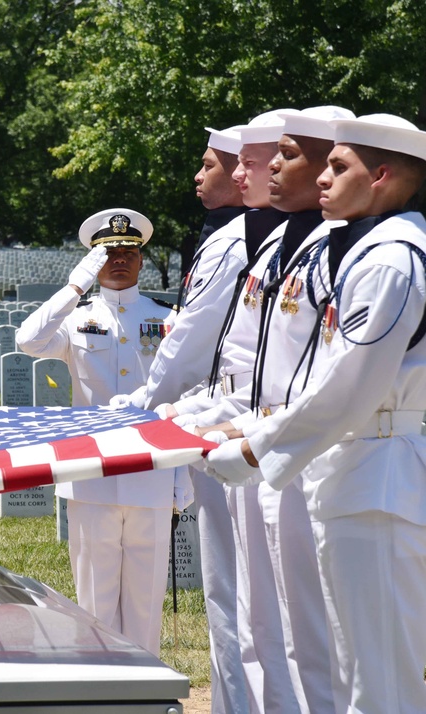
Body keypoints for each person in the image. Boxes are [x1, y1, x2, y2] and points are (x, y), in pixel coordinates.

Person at [207, 113, 426, 713]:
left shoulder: (391, 261)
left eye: (338, 166)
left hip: (380, 479)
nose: (323, 179)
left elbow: (346, 388)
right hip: (356, 472)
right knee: (358, 670)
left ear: (381, 175)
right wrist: (253, 429)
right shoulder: (368, 248)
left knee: (379, 683)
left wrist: (255, 448)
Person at [16, 209, 191, 655]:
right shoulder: (76, 319)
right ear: (93, 259)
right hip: (92, 475)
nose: (120, 259)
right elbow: (28, 341)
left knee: (145, 601)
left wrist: (180, 474)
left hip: (152, 469)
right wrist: (76, 286)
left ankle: (145, 694)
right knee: (95, 603)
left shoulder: (167, 319)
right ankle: (103, 691)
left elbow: (183, 393)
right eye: (109, 252)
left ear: (141, 258)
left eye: (129, 251)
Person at [124, 124, 250, 713]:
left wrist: (146, 407)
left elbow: (193, 340)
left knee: (243, 608)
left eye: (209, 165)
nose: (197, 177)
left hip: (239, 432)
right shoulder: (230, 237)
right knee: (234, 610)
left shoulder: (236, 242)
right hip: (211, 419)